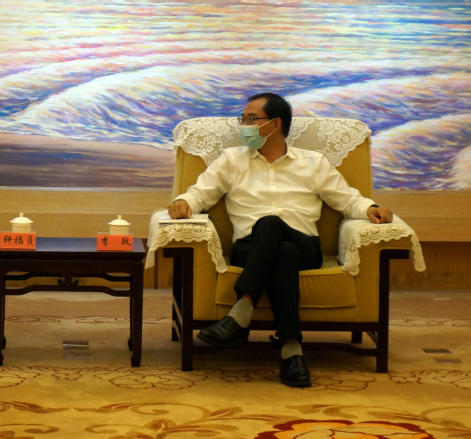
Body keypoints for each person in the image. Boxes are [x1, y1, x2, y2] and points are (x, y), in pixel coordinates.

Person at [168, 93, 393, 387]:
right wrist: (183, 202)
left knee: (273, 225)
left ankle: (241, 314)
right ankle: (291, 351)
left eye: (251, 119)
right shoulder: (232, 160)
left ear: (275, 124)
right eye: (242, 119)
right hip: (249, 250)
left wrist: (370, 208)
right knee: (282, 251)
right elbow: (201, 193)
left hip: (305, 247)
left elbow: (347, 199)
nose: (244, 125)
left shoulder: (313, 163)